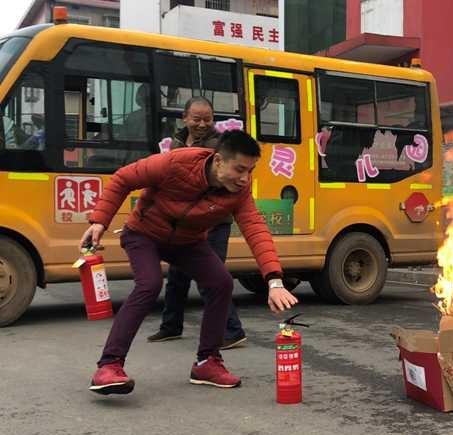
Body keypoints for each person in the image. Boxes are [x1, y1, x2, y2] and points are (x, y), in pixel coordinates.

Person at [80, 130, 298, 395]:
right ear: (218, 160)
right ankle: (109, 365)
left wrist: (274, 281)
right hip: (144, 234)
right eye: (239, 169)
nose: (244, 178)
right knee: (149, 284)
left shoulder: (240, 190)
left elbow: (254, 227)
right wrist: (100, 222)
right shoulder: (176, 163)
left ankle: (207, 362)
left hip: (187, 242)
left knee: (221, 283)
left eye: (250, 170)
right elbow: (123, 178)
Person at [146, 97, 246, 350]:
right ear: (185, 118)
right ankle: (171, 326)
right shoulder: (177, 142)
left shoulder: (219, 146)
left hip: (213, 221)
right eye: (197, 119)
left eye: (208, 119)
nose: (202, 124)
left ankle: (232, 331)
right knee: (177, 275)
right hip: (185, 222)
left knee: (211, 277)